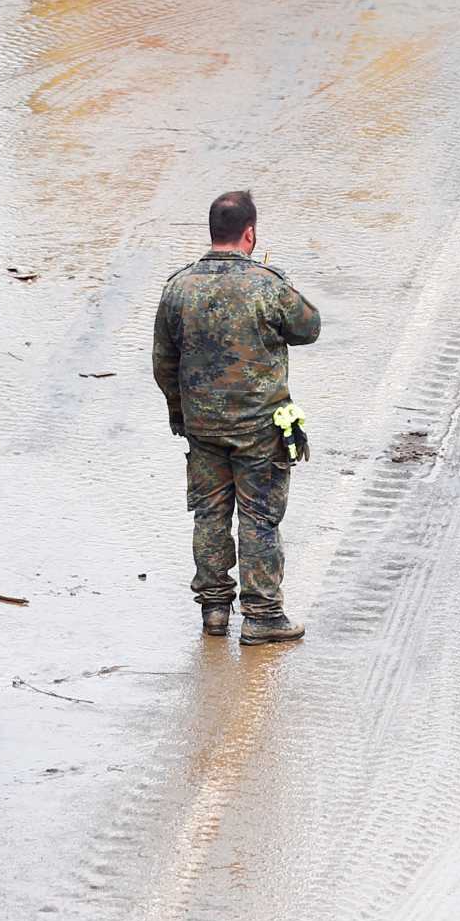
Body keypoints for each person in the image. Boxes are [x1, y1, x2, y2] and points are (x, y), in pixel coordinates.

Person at [151, 191, 321, 644]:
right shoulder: (267, 284)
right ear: (250, 234)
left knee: (209, 514)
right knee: (259, 518)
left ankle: (214, 611)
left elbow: (163, 362)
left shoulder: (178, 287)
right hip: (259, 429)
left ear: (212, 232)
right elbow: (309, 327)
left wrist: (181, 414)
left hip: (203, 428)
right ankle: (263, 616)